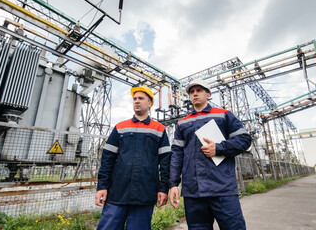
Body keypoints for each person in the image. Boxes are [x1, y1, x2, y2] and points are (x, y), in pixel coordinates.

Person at [169, 79, 252, 230]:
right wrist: (173, 184)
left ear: (208, 94)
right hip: (193, 192)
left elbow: (244, 139)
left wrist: (219, 148)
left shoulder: (224, 115)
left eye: (199, 90)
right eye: (191, 92)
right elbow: (176, 155)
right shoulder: (182, 123)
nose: (195, 94)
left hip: (222, 188)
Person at [95, 86, 171, 230]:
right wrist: (102, 186)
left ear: (149, 103)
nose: (136, 101)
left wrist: (163, 189)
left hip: (145, 193)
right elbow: (107, 159)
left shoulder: (159, 129)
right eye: (134, 99)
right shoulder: (120, 127)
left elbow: (166, 163)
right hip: (117, 192)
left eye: (141, 98)